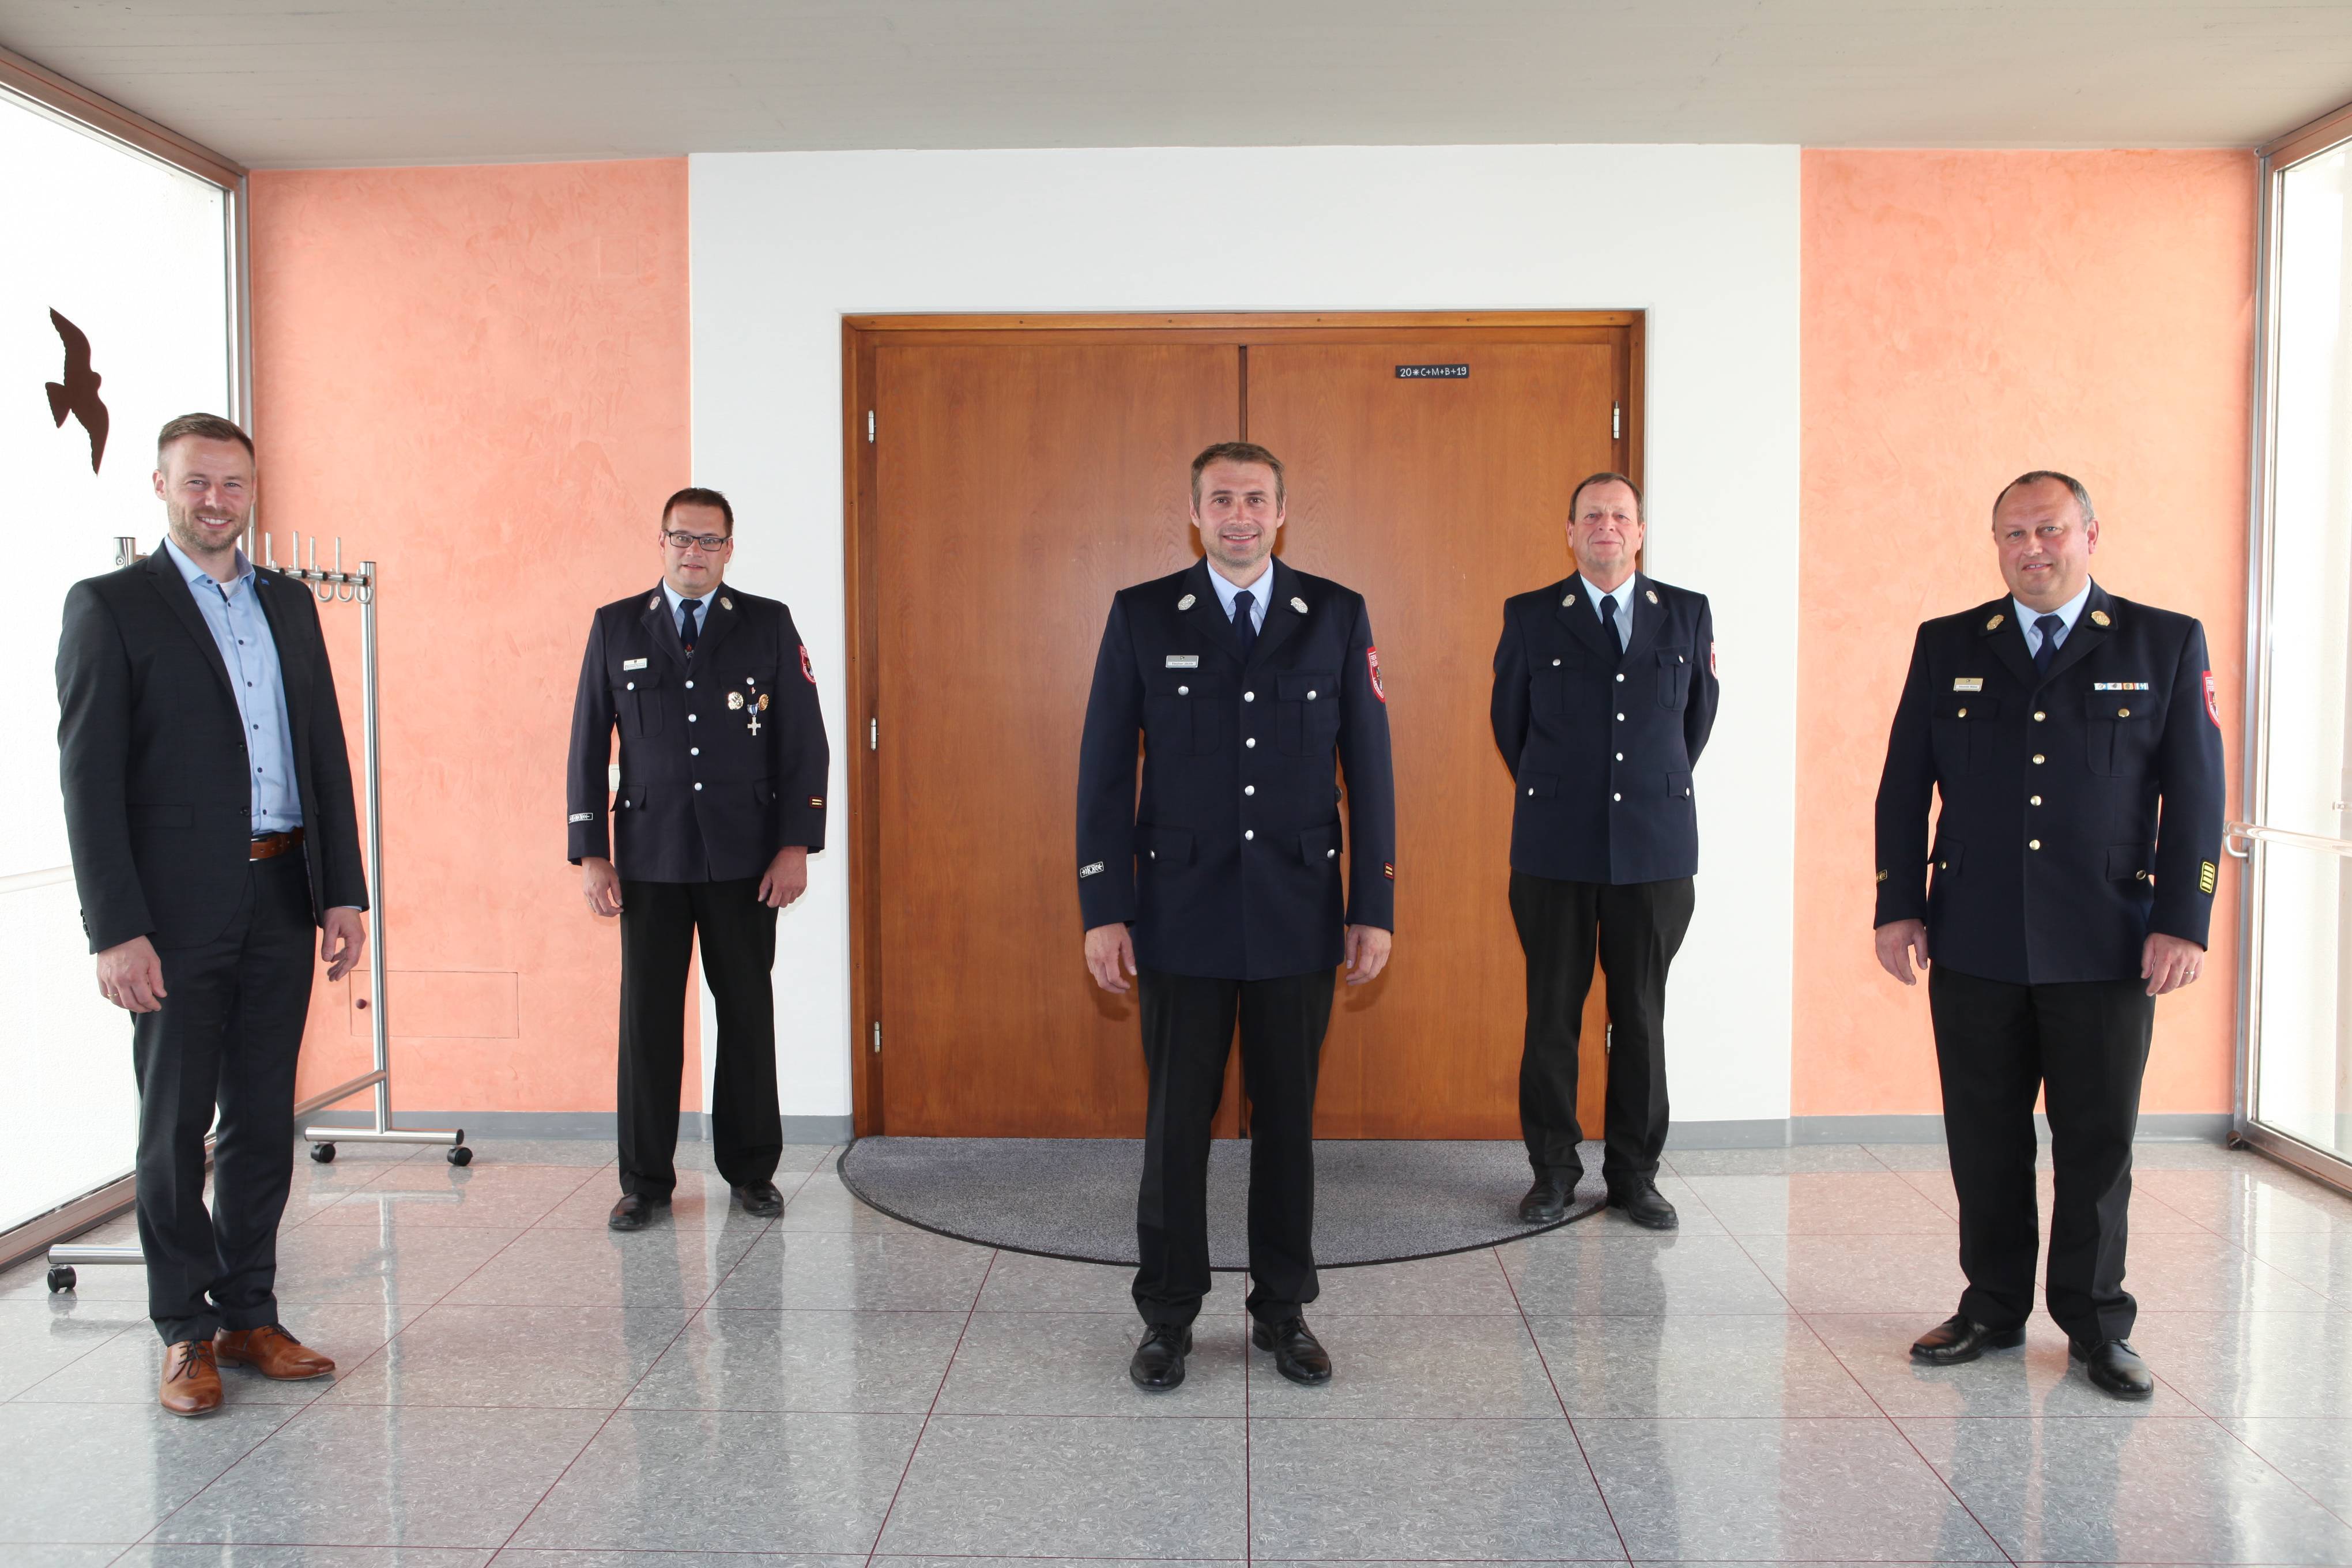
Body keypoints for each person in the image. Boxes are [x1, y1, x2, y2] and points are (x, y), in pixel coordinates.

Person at [1873, 470, 2225, 1400]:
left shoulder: (2162, 641)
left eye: (2050, 530)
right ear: (1996, 546)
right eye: (2013, 534)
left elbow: (2195, 798)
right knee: (1984, 1137)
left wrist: (2183, 921)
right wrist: (1896, 902)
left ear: (2091, 535)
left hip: (2107, 943)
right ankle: (1991, 1309)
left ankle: (2098, 1326)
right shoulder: (1949, 643)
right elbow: (1906, 786)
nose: (2032, 548)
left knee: (2096, 1142)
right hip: (1976, 936)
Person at [57, 413, 365, 1416]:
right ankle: (183, 1332)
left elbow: (323, 753)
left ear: (253, 490)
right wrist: (115, 927)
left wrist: (343, 889)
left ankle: (248, 1314)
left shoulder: (288, 603)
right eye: (197, 483)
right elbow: (88, 784)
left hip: (282, 892)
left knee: (260, 1122)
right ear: (160, 486)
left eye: (233, 484)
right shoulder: (110, 608)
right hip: (170, 916)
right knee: (173, 1124)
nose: (216, 501)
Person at [1077, 441, 1396, 1391]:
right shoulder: (1141, 614)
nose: (1240, 515)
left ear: (1282, 511)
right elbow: (1102, 769)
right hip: (1178, 914)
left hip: (1301, 912)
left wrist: (1371, 902)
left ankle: (1283, 1312)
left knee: (1288, 1122)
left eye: (1256, 499)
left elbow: (1370, 768)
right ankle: (1168, 1317)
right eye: (1222, 499)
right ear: (1195, 512)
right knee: (1177, 1122)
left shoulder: (1335, 614)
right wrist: (1105, 906)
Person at [566, 487, 830, 1231]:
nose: (694, 552)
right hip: (648, 859)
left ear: (729, 548)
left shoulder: (768, 626)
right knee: (647, 1020)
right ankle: (645, 1181)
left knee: (746, 1013)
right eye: (681, 538)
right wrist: (592, 852)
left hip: (747, 861)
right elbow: (589, 742)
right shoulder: (616, 625)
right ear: (660, 542)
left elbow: (805, 744)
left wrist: (794, 846)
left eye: (709, 541)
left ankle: (752, 1170)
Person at [1491, 473, 1719, 1230]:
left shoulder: (1685, 614)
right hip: (1555, 849)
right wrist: (1566, 791)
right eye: (1592, 515)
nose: (1607, 527)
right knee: (1552, 1016)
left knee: (1641, 1017)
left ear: (1641, 531)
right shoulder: (1530, 616)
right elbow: (1511, 726)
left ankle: (1634, 1176)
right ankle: (1552, 1172)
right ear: (1571, 531)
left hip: (1655, 853)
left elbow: (1693, 726)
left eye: (1621, 515)